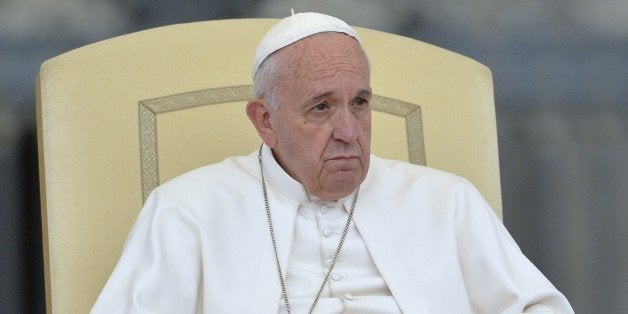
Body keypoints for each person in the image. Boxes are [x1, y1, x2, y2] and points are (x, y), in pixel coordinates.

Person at [92, 12, 573, 313]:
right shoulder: (187, 210)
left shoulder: (446, 201)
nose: (348, 131)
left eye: (360, 102)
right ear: (265, 121)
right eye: (321, 107)